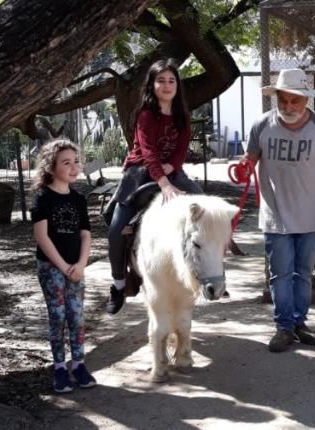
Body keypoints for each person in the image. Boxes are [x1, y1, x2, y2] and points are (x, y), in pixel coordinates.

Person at [242, 68, 315, 353]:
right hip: (275, 217)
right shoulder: (261, 125)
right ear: (276, 99)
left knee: (303, 274)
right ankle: (283, 327)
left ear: (306, 101)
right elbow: (249, 162)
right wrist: (243, 166)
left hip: (311, 217)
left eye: (295, 102)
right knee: (280, 275)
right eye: (283, 101)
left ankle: (300, 323)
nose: (288, 107)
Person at [105, 58, 202, 315]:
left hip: (170, 169)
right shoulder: (146, 114)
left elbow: (181, 149)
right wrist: (163, 182)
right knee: (116, 228)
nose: (167, 85)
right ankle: (118, 284)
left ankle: (208, 271)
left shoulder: (182, 115)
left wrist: (171, 168)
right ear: (152, 84)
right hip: (139, 172)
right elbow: (147, 152)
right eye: (161, 80)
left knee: (204, 208)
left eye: (171, 80)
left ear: (177, 86)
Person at [31, 139, 97, 393]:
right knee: (58, 317)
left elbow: (85, 235)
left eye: (76, 162)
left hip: (75, 268)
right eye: (66, 162)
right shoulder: (43, 198)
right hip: (51, 267)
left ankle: (78, 365)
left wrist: (80, 264)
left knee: (76, 317)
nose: (73, 167)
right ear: (50, 166)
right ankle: (60, 368)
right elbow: (41, 236)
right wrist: (62, 266)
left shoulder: (79, 199)